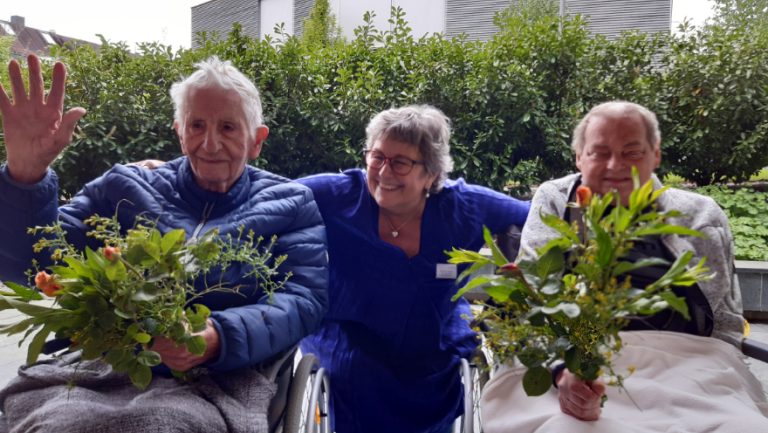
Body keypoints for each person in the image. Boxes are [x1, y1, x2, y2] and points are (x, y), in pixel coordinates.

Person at [0, 54, 328, 433]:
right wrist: (25, 176)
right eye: (197, 125)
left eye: (228, 127)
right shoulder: (125, 187)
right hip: (103, 368)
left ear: (257, 140)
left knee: (166, 425)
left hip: (217, 379)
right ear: (178, 131)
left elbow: (304, 299)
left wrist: (219, 336)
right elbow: (33, 264)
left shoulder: (290, 204)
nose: (210, 143)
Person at [480, 101, 768, 433]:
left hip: (688, 367)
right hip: (578, 362)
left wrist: (720, 378)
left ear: (655, 155)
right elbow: (534, 301)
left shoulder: (700, 215)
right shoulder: (559, 202)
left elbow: (724, 323)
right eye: (599, 153)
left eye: (632, 153)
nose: (616, 166)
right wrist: (567, 366)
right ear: (579, 157)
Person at [296, 105, 530, 433]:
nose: (384, 172)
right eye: (377, 157)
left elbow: (537, 215)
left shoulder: (462, 207)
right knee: (358, 372)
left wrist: (523, 266)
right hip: (350, 332)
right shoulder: (340, 195)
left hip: (433, 336)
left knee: (441, 372)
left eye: (401, 162)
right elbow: (271, 200)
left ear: (431, 174)